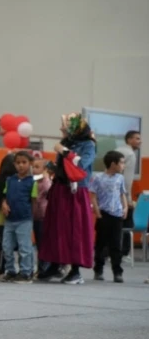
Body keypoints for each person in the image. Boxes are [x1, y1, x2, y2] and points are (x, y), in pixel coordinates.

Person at [37, 113, 96, 285]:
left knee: (75, 230)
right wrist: (49, 166)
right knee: (56, 228)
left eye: (66, 126)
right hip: (60, 188)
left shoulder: (88, 145)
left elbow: (82, 165)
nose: (62, 128)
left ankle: (75, 271)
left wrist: (63, 151)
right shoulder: (65, 143)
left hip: (75, 191)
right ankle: (56, 265)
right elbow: (63, 167)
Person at [89, 151, 128, 283]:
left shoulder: (120, 178)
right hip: (104, 214)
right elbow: (93, 195)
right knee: (101, 244)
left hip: (117, 215)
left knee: (116, 244)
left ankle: (117, 271)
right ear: (113, 164)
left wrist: (125, 207)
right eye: (122, 163)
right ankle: (98, 269)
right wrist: (97, 211)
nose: (124, 165)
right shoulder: (98, 177)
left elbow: (122, 193)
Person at [1, 151, 38, 283]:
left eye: (24, 162)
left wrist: (30, 218)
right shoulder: (10, 180)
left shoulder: (32, 182)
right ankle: (10, 271)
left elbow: (34, 202)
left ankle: (26, 272)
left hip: (24, 220)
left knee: (24, 247)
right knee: (6, 247)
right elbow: (5, 196)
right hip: (10, 220)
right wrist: (4, 204)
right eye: (18, 163)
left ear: (30, 164)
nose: (21, 165)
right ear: (14, 164)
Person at [115, 130, 140, 256]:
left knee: (113, 226)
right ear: (129, 140)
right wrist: (128, 200)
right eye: (137, 138)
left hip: (113, 195)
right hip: (122, 196)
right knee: (127, 224)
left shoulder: (117, 150)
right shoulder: (130, 154)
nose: (139, 141)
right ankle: (124, 253)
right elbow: (127, 180)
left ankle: (111, 252)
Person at [32, 158, 52, 276]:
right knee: (39, 243)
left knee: (43, 243)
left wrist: (46, 177)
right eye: (33, 167)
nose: (34, 169)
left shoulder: (46, 181)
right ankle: (41, 267)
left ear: (45, 169)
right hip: (36, 216)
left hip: (44, 216)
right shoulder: (34, 181)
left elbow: (49, 190)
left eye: (37, 167)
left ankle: (45, 267)